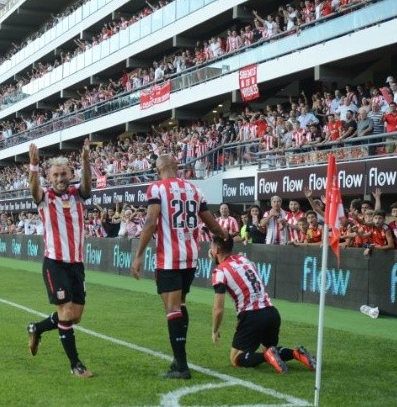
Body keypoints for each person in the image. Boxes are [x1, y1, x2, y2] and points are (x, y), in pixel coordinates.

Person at [131, 155, 228, 379]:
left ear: (158, 170)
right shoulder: (195, 190)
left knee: (172, 309)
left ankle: (181, 365)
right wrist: (225, 237)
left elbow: (151, 222)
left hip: (169, 258)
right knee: (180, 304)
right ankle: (178, 358)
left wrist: (138, 255)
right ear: (176, 167)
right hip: (191, 256)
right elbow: (211, 222)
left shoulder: (156, 189)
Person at [26, 138, 94, 378]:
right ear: (49, 177)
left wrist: (86, 161)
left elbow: (88, 187)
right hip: (55, 264)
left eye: (63, 173)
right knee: (65, 313)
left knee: (75, 316)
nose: (60, 178)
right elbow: (33, 190)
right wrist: (33, 166)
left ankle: (36, 328)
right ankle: (75, 364)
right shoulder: (45, 198)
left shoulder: (77, 195)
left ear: (70, 174)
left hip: (77, 264)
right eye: (55, 175)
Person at [209, 236, 316, 374]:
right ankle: (295, 353)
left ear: (217, 250)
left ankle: (267, 356)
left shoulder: (220, 271)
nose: (210, 251)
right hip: (271, 312)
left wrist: (215, 330)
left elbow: (218, 308)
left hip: (252, 315)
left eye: (211, 248)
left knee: (236, 358)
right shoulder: (244, 259)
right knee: (269, 348)